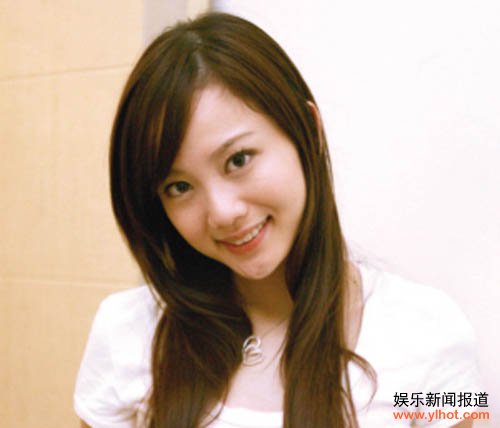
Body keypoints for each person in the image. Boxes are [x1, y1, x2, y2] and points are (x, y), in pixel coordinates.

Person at [74, 12, 481, 428]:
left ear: (309, 129)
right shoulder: (124, 331)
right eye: (179, 187)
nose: (222, 212)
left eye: (238, 160)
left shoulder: (432, 333)